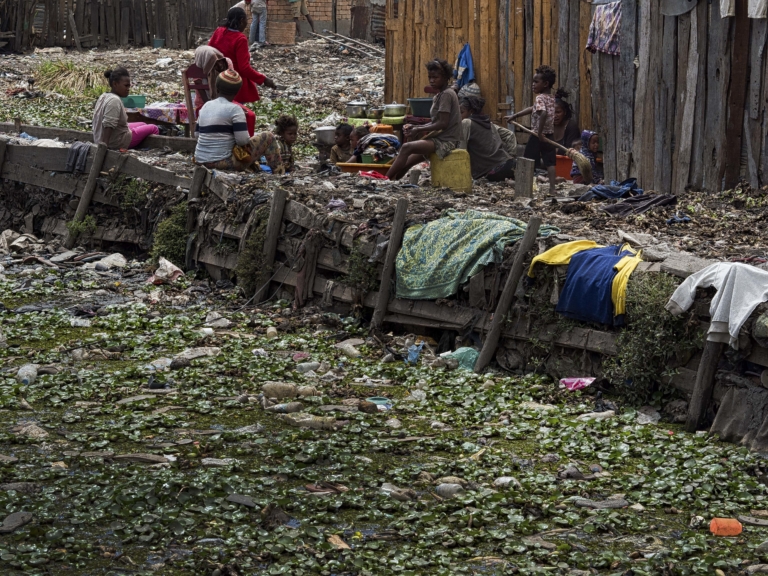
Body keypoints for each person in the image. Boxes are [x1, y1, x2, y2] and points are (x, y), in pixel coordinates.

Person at [194, 69, 283, 173]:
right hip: (222, 163)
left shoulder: (206, 106)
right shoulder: (235, 109)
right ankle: (279, 174)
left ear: (216, 88)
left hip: (200, 160)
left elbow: (197, 135)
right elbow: (242, 141)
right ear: (237, 92)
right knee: (268, 137)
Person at [387, 59, 462, 181]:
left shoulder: (447, 94)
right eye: (430, 77)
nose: (432, 80)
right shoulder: (439, 95)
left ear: (445, 78)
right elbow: (436, 121)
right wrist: (415, 127)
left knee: (406, 147)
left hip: (447, 141)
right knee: (408, 161)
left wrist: (418, 129)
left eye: (435, 77)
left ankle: (384, 179)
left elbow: (443, 123)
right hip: (439, 139)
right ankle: (392, 181)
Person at [506, 64, 557, 195]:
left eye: (536, 82)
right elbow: (533, 108)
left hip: (537, 136)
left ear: (545, 84)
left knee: (527, 161)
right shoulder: (551, 98)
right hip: (549, 135)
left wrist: (539, 133)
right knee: (550, 163)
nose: (533, 84)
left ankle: (521, 184)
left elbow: (543, 113)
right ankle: (552, 189)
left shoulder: (540, 98)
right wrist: (515, 115)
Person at [209, 7, 276, 106]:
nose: (246, 23)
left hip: (217, 77)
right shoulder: (240, 39)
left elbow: (210, 51)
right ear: (241, 21)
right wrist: (263, 79)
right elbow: (244, 68)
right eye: (246, 20)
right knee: (235, 109)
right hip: (234, 81)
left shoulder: (219, 31)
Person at [92, 67, 159, 150]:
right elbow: (109, 124)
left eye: (129, 86)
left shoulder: (104, 96)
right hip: (116, 142)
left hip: (101, 137)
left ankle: (137, 141)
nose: (128, 89)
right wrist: (104, 147)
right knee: (154, 128)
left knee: (143, 124)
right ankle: (145, 149)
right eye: (126, 86)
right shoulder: (114, 100)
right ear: (115, 84)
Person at [458, 96, 515, 182]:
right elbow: (510, 135)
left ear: (471, 112)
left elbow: (462, 151)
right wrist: (512, 156)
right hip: (509, 164)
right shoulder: (488, 123)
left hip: (492, 171)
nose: (458, 116)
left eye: (461, 112)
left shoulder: (466, 123)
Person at [192, 46, 231, 113]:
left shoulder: (226, 63)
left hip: (224, 103)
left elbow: (231, 85)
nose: (219, 64)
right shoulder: (197, 69)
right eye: (211, 60)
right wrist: (212, 106)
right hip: (204, 105)